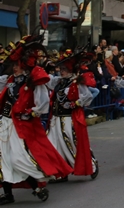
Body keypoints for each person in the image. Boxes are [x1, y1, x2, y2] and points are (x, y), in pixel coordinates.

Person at [0, 36, 73, 204]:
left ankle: (37, 187)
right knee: (2, 158)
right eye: (14, 65)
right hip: (4, 123)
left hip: (19, 126)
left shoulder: (33, 82)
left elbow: (43, 104)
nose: (15, 68)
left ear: (24, 65)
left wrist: (30, 113)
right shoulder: (9, 80)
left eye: (18, 65)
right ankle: (8, 194)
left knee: (18, 158)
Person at [47, 48, 98, 181]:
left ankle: (90, 163)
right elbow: (46, 81)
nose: (61, 71)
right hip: (56, 118)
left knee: (70, 142)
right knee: (55, 144)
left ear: (70, 69)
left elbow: (87, 96)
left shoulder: (76, 82)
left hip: (69, 118)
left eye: (64, 68)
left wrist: (75, 103)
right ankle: (63, 171)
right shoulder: (58, 81)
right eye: (60, 68)